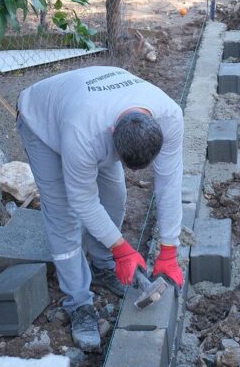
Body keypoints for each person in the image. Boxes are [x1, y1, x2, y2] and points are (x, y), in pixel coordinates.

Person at [15, 66, 184, 351]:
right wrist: (122, 248)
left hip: (87, 105)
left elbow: (169, 184)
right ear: (112, 135)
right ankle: (79, 302)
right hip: (43, 123)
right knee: (63, 216)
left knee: (115, 196)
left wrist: (169, 251)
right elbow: (82, 199)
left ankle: (104, 265)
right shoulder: (83, 132)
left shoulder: (169, 116)